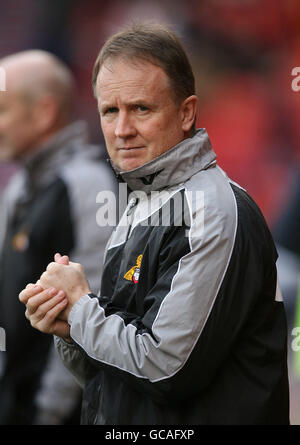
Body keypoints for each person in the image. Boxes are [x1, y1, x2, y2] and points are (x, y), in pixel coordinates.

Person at [19, 24, 290, 425]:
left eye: (141, 108)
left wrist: (80, 310)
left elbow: (165, 368)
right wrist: (69, 330)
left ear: (186, 113)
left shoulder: (211, 210)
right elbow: (117, 385)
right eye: (110, 111)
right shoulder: (141, 202)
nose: (122, 130)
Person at [0, 50, 115, 424]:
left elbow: (97, 302)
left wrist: (47, 412)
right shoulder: (19, 185)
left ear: (44, 112)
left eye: (3, 110)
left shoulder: (87, 184)